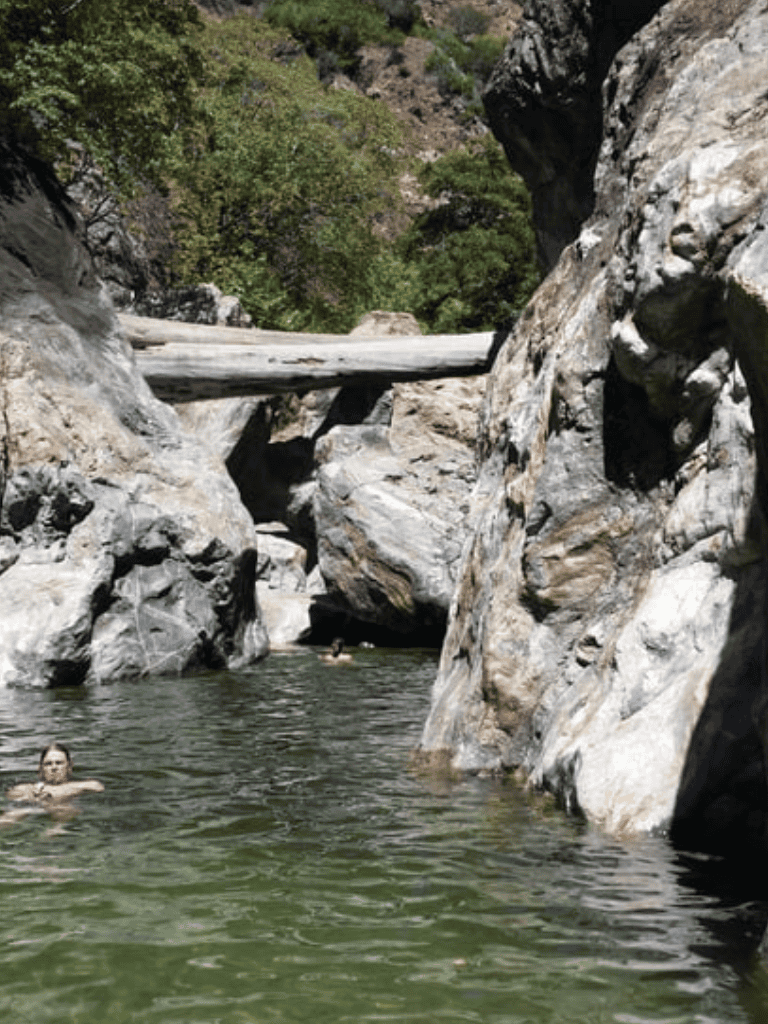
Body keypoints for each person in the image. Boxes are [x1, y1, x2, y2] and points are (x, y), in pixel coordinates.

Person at [1, 742, 103, 826]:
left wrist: (54, 793)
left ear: (69, 766)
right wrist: (31, 795)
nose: (54, 768)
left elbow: (98, 787)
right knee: (12, 815)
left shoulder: (78, 785)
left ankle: (55, 833)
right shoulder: (29, 787)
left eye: (59, 763)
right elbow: (9, 794)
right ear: (41, 768)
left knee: (65, 810)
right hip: (33, 809)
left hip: (64, 810)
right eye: (48, 764)